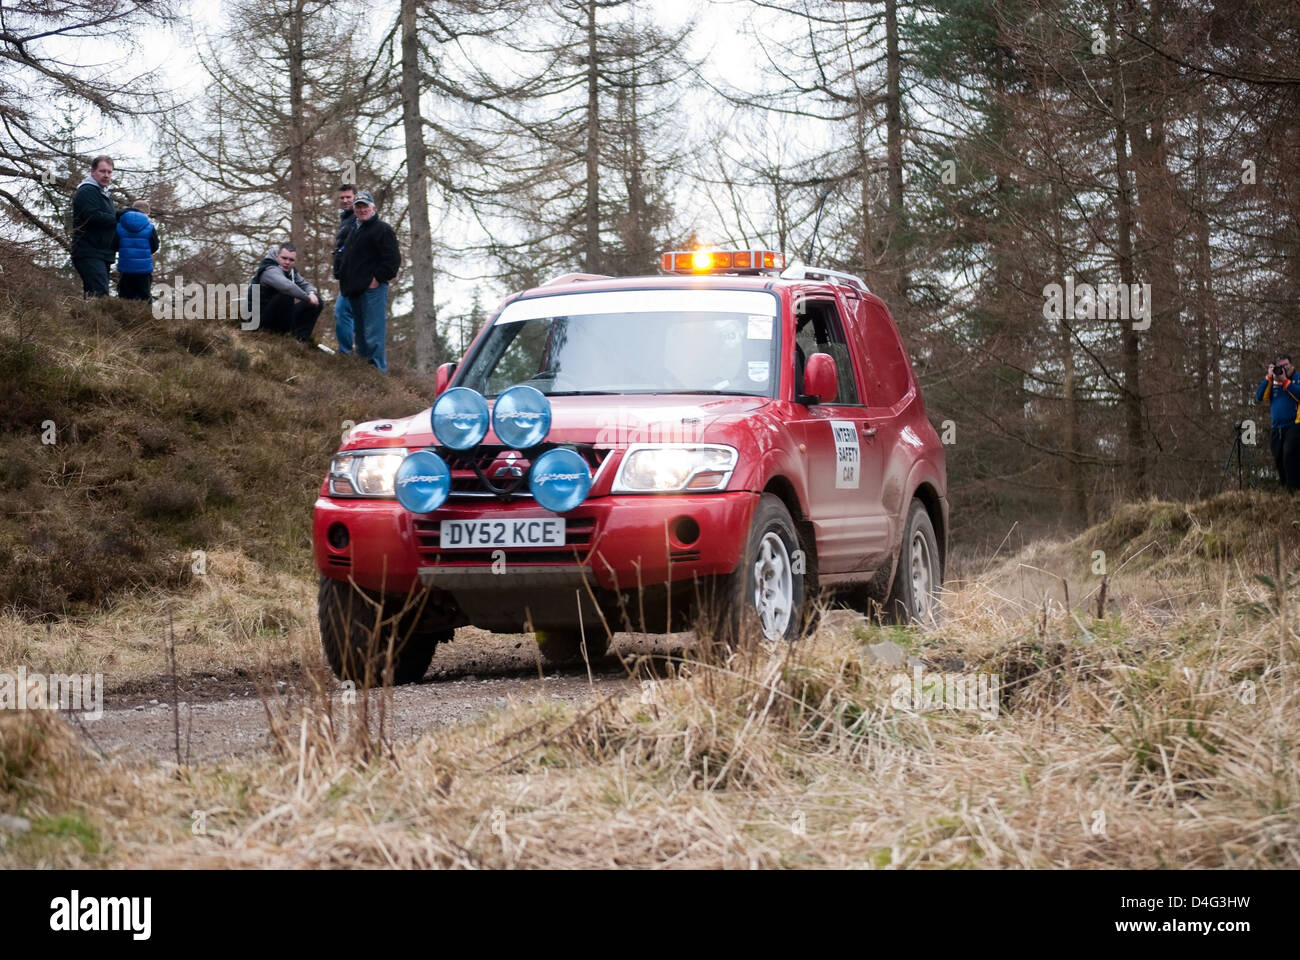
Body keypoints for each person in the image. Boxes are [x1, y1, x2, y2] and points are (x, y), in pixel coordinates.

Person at [337, 191, 400, 372]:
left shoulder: (382, 229)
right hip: (354, 289)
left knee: (374, 333)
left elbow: (393, 260)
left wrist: (377, 279)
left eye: (365, 206)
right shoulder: (354, 230)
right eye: (358, 206)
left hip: (373, 290)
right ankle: (364, 371)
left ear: (373, 208)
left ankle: (378, 372)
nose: (362, 209)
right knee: (361, 333)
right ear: (354, 209)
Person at [249, 242, 323, 343]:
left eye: (291, 260)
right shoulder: (268, 270)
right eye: (284, 258)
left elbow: (305, 284)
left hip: (278, 316)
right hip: (258, 319)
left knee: (317, 302)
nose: (287, 262)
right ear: (277, 256)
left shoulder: (290, 271)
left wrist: (311, 293)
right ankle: (279, 336)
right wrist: (308, 298)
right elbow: (287, 287)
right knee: (286, 296)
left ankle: (299, 340)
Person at [70, 155, 119, 297]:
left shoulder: (104, 194)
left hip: (102, 253)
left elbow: (108, 223)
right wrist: (118, 217)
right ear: (92, 172)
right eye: (102, 171)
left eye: (109, 172)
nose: (106, 175)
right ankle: (94, 319)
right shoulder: (87, 191)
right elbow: (93, 216)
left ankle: (86, 319)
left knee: (93, 296)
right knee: (100, 296)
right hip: (89, 251)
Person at [1255, 353, 1300, 491]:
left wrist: (1286, 381)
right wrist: (1268, 377)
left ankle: (1295, 489)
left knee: (1289, 454)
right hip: (1277, 427)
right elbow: (1259, 397)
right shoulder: (1272, 382)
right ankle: (1286, 489)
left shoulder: (1297, 379)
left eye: (1286, 365)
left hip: (1295, 424)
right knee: (1279, 458)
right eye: (1280, 366)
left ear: (1291, 365)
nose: (1283, 369)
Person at [332, 183, 359, 354]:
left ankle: (345, 352)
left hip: (355, 275)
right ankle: (352, 352)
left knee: (342, 311)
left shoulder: (357, 218)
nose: (345, 200)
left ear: (355, 197)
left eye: (348, 197)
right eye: (342, 198)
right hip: (346, 275)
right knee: (349, 313)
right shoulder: (345, 219)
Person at [114, 200, 159, 301]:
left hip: (125, 268)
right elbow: (155, 246)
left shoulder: (120, 225)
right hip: (144, 269)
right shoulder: (150, 227)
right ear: (148, 213)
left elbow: (114, 244)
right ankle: (144, 316)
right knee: (145, 298)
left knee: (125, 298)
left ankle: (126, 316)